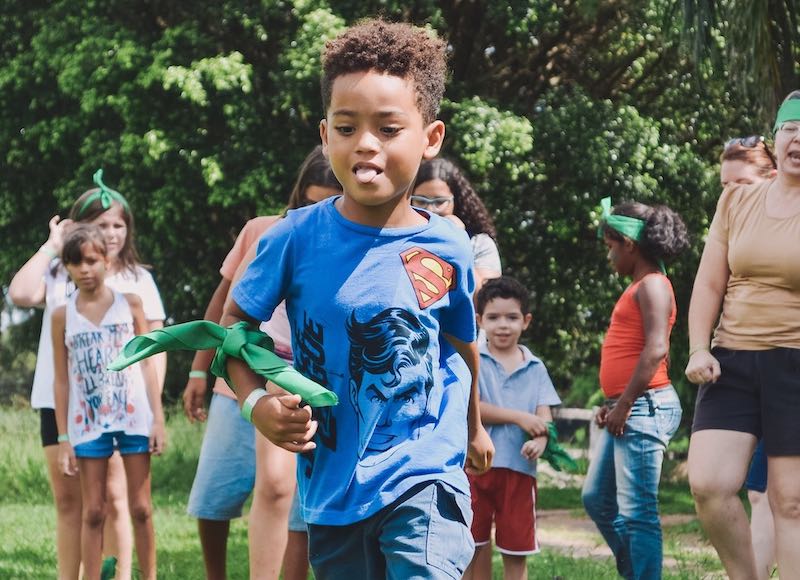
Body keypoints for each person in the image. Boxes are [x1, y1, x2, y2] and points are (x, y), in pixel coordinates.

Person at [221, 19, 494, 579]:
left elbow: (460, 345)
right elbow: (233, 332)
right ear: (326, 136)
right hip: (335, 484)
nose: (366, 143)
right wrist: (256, 405)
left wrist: (474, 427)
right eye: (347, 128)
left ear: (431, 137)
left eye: (388, 128)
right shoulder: (294, 239)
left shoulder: (448, 245)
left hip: (426, 471)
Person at [181, 146, 341, 580]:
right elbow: (226, 307)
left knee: (285, 492)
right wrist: (199, 368)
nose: (320, 213)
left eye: (330, 203)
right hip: (242, 372)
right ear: (298, 195)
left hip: (304, 379)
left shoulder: (349, 246)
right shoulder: (266, 232)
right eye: (310, 202)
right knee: (216, 493)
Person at [7, 170, 166, 579]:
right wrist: (52, 245)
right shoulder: (61, 272)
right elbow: (20, 293)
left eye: (118, 225)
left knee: (115, 499)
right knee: (69, 501)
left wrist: (152, 413)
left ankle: (121, 574)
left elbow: (153, 351)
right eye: (100, 224)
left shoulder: (137, 281)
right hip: (61, 404)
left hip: (122, 407)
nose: (110, 233)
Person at [686, 91, 800, 580]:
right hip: (732, 357)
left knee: (789, 500)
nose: (799, 139)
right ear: (776, 137)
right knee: (709, 483)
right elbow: (710, 282)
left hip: (794, 362)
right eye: (791, 128)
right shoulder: (736, 199)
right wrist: (698, 347)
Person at [581, 197, 688, 580]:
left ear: (628, 244)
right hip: (628, 406)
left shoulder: (654, 285)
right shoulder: (641, 286)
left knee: (638, 511)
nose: (609, 256)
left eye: (611, 246)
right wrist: (614, 403)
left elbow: (656, 349)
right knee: (596, 499)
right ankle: (637, 573)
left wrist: (624, 404)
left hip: (644, 406)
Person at [52, 224, 165, 580]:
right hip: (87, 424)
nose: (84, 270)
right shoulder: (61, 316)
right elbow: (61, 380)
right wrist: (63, 437)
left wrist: (158, 419)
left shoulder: (130, 305)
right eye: (75, 263)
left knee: (141, 507)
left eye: (91, 261)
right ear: (67, 267)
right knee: (94, 511)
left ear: (106, 260)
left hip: (133, 418)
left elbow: (147, 364)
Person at [463, 276, 561, 580]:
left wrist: (540, 442)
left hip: (520, 471)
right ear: (479, 320)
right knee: (471, 546)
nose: (503, 325)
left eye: (511, 317)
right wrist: (520, 418)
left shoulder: (536, 367)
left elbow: (544, 419)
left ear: (526, 321)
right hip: (476, 469)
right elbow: (474, 408)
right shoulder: (474, 359)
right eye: (493, 318)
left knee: (517, 551)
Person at [719, 136, 777, 580]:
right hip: (761, 376)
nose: (730, 196)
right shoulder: (734, 239)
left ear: (771, 179)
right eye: (724, 186)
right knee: (761, 492)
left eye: (740, 184)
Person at [413, 157, 502, 289]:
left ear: (457, 201)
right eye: (421, 201)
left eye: (439, 202)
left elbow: (487, 297)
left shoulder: (478, 243)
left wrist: (458, 241)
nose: (430, 210)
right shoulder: (397, 238)